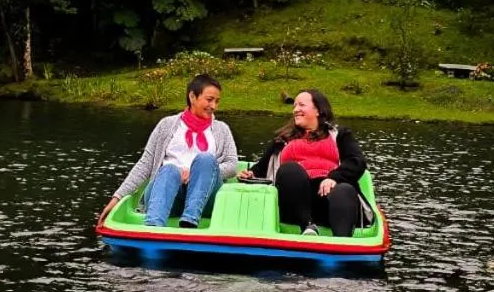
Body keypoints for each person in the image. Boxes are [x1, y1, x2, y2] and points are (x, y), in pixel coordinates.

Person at [97, 73, 238, 229]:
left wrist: (193, 172)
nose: (214, 106)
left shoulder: (221, 129)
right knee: (170, 170)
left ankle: (190, 221)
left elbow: (232, 165)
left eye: (217, 101)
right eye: (209, 100)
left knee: (205, 160)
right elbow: (145, 165)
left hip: (204, 198)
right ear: (192, 97)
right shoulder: (166, 125)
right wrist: (116, 198)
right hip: (169, 194)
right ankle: (153, 228)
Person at [238, 89, 372, 237]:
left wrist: (334, 178)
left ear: (318, 110)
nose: (296, 110)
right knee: (290, 169)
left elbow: (357, 162)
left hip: (328, 199)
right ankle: (307, 227)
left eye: (301, 105)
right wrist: (251, 173)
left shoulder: (340, 135)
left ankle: (343, 242)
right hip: (294, 201)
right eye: (294, 106)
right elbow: (262, 167)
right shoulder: (283, 139)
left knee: (344, 190)